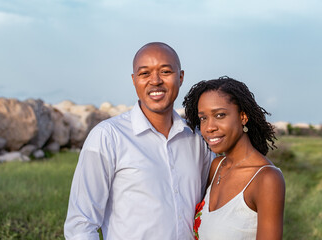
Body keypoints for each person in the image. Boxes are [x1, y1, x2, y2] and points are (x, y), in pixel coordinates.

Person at [64, 42, 213, 240]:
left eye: (166, 71)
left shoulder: (196, 138)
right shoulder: (107, 137)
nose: (155, 81)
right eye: (144, 74)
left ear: (181, 77)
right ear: (134, 80)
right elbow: (81, 224)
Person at [183, 76, 285, 240]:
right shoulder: (217, 166)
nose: (209, 127)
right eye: (203, 118)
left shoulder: (266, 179)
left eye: (220, 115)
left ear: (243, 117)